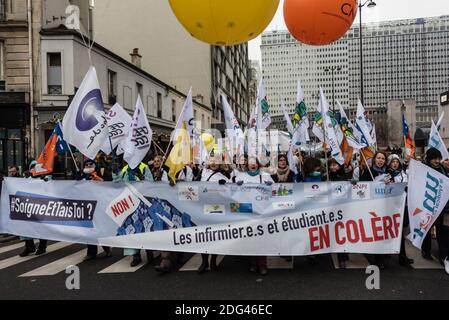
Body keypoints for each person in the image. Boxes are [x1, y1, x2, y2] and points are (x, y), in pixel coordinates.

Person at [234, 156, 274, 275]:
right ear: (247, 165)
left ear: (258, 164)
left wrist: (270, 185)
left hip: (262, 212)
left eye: (255, 163)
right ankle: (253, 264)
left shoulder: (265, 176)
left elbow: (274, 191)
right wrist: (237, 186)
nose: (253, 165)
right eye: (250, 163)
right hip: (247, 212)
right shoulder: (241, 177)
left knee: (261, 238)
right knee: (250, 238)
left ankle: (262, 265)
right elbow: (233, 194)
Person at [113, 161, 154, 267]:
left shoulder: (144, 167)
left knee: (146, 228)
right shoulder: (125, 169)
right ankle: (136, 256)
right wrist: (114, 173)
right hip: (129, 205)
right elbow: (117, 183)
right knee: (131, 230)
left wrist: (140, 178)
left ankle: (149, 251)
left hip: (142, 205)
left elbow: (150, 183)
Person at [197, 155, 230, 274]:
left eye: (216, 161)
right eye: (211, 161)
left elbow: (230, 192)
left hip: (217, 208)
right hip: (202, 207)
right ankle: (204, 261)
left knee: (215, 235)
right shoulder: (203, 172)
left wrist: (225, 185)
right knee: (203, 236)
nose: (213, 163)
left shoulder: (224, 175)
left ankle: (213, 261)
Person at [421, 148, 449, 274]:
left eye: (438, 158)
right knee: (426, 230)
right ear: (429, 159)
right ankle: (425, 250)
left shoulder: (444, 169)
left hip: (443, 207)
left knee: (443, 231)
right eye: (434, 159)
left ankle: (443, 255)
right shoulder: (423, 169)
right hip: (428, 206)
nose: (437, 161)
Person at [359, 151, 388, 269]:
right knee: (371, 231)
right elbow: (361, 187)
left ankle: (380, 258)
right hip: (370, 206)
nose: (380, 160)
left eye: (383, 159)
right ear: (374, 159)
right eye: (378, 158)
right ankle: (371, 256)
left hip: (384, 206)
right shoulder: (368, 171)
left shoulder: (388, 173)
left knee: (381, 232)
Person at [80, 159, 112, 261]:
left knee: (100, 228)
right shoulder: (82, 176)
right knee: (89, 230)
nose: (88, 166)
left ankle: (106, 248)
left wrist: (97, 178)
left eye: (91, 164)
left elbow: (109, 184)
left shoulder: (101, 173)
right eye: (86, 164)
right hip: (87, 206)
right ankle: (91, 253)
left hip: (99, 205)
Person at [385, 154, 414, 267]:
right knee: (389, 230)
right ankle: (387, 253)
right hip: (389, 206)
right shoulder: (386, 174)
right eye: (393, 162)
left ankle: (402, 256)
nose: (395, 164)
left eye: (397, 162)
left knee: (401, 231)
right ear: (390, 163)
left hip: (401, 206)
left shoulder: (403, 174)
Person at [19, 161, 48, 257]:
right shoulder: (26, 179)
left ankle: (42, 247)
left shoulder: (45, 178)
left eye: (36, 167)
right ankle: (29, 247)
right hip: (29, 206)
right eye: (33, 167)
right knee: (26, 227)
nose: (34, 168)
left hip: (41, 207)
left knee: (41, 228)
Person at [327, 158, 349, 268]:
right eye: (330, 165)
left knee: (341, 232)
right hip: (329, 209)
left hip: (342, 209)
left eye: (335, 165)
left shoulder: (344, 177)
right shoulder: (326, 176)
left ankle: (342, 258)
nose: (332, 167)